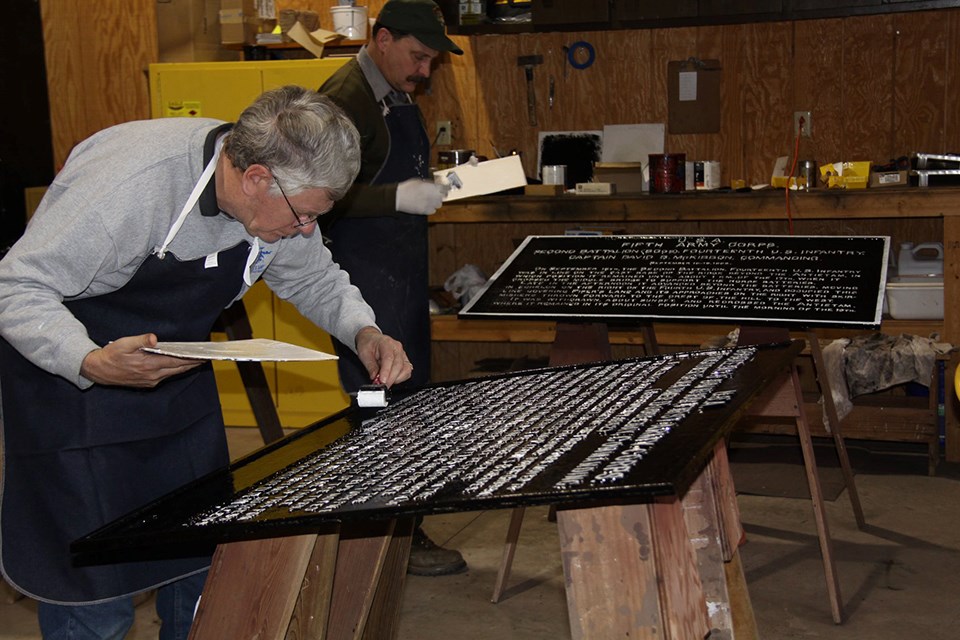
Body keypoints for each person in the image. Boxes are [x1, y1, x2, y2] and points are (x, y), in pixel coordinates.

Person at [0, 85, 413, 639]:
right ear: (256, 178)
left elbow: (312, 275)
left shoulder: (278, 201)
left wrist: (362, 330)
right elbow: (15, 284)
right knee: (96, 599)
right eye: (304, 215)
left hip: (177, 390)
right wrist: (89, 360)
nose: (308, 230)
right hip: (73, 393)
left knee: (200, 573)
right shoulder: (128, 189)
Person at [317, 0, 467, 577]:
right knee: (376, 401)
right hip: (363, 280)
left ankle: (401, 522)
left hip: (397, 275)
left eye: (431, 61)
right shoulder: (344, 99)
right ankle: (379, 530)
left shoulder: (394, 91)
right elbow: (315, 192)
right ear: (381, 39)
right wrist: (397, 197)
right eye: (417, 56)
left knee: (408, 401)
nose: (424, 71)